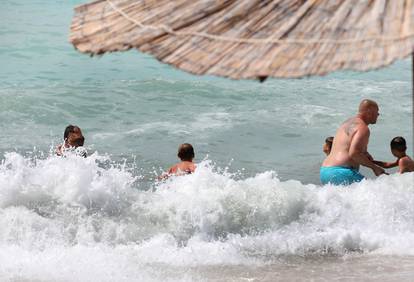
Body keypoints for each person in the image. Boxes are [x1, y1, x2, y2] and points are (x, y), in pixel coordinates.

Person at [320, 99, 385, 185]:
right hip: (341, 173)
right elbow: (354, 153)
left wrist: (365, 154)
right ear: (369, 112)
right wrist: (374, 168)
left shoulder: (346, 123)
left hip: (325, 171)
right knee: (374, 193)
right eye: (377, 111)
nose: (378, 114)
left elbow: (346, 146)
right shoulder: (363, 128)